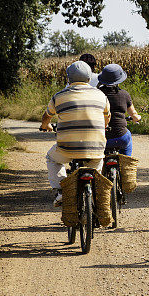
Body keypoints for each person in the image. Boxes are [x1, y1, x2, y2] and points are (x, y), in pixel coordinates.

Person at [39, 61, 110, 207]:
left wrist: (45, 126)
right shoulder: (101, 96)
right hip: (95, 148)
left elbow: (47, 116)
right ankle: (96, 196)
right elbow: (107, 117)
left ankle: (61, 190)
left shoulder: (58, 96)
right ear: (89, 79)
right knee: (96, 165)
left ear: (68, 79)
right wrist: (102, 127)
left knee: (51, 158)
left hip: (67, 149)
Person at [97, 63, 141, 156]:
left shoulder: (96, 94)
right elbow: (134, 115)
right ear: (119, 80)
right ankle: (126, 165)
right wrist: (137, 118)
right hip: (120, 137)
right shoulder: (124, 94)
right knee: (127, 139)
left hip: (101, 138)